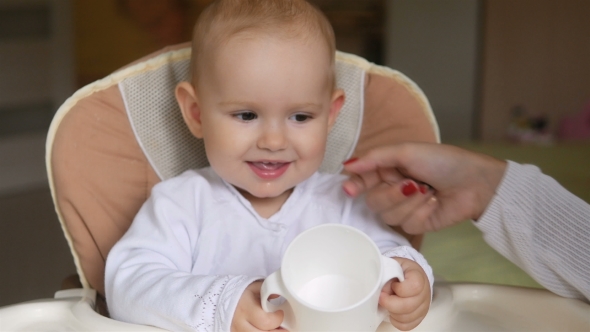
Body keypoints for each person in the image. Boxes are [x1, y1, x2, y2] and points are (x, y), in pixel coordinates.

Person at [105, 1, 433, 331]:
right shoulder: (179, 204)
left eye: (301, 116)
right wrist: (223, 304)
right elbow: (129, 287)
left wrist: (408, 281)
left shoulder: (346, 203)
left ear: (330, 115)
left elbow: (389, 259)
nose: (274, 142)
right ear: (196, 113)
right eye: (246, 115)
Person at [342, 142, 590, 303]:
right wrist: (482, 185)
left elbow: (397, 263)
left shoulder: (339, 201)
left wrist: (405, 280)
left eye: (303, 117)